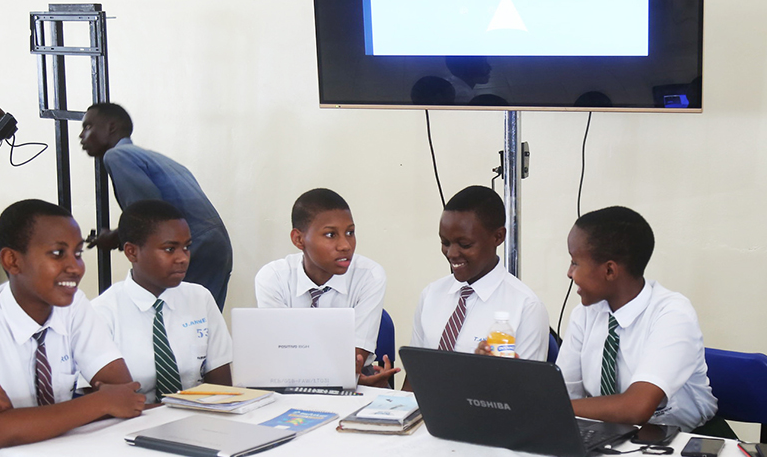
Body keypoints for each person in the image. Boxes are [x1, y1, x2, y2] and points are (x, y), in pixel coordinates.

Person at [0, 199, 144, 456]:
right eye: (58, 253)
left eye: (77, 253)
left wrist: (16, 418)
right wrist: (100, 401)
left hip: (58, 446)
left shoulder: (73, 304)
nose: (75, 267)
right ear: (12, 260)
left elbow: (126, 394)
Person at [556, 206, 717, 431]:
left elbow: (635, 408)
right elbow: (564, 393)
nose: (569, 273)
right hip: (609, 433)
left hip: (683, 438)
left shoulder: (672, 314)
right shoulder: (584, 314)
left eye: (575, 262)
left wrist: (551, 407)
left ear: (610, 271)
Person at [79, 103, 233, 310]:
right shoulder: (155, 158)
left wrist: (116, 237)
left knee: (174, 320)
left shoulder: (117, 155)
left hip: (191, 245)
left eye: (88, 127)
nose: (81, 135)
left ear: (111, 127)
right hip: (216, 246)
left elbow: (147, 216)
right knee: (200, 323)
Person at [406, 185, 549, 389]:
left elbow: (526, 396)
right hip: (426, 417)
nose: (451, 253)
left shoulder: (526, 307)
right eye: (445, 242)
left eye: (464, 245)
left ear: (498, 237)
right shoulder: (431, 295)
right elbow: (415, 377)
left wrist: (485, 373)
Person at [91, 200, 232, 404]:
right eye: (169, 249)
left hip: (198, 421)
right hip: (129, 429)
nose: (182, 258)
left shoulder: (199, 298)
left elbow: (222, 389)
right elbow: (106, 404)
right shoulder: (102, 313)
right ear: (132, 252)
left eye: (186, 247)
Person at [255, 188, 399, 387]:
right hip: (289, 381)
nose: (345, 245)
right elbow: (280, 355)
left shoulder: (370, 275)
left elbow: (355, 360)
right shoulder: (273, 278)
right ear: (298, 239)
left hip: (355, 380)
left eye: (350, 233)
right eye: (331, 234)